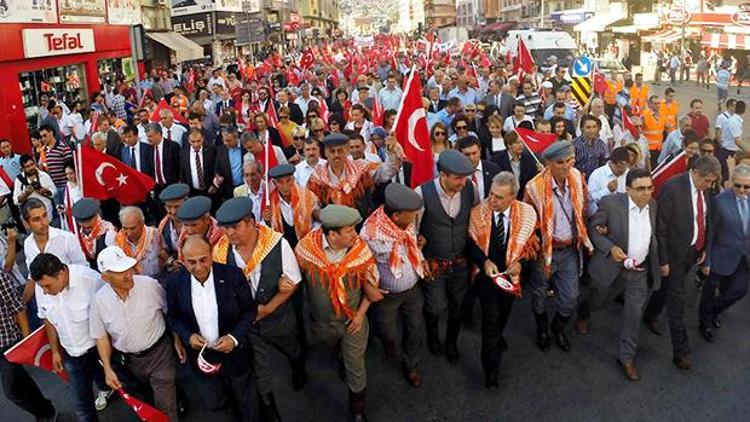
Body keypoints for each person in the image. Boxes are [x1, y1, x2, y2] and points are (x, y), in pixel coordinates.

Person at [213, 197, 306, 419]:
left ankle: (298, 366)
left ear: (251, 222)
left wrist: (269, 309)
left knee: (290, 346)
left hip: (277, 317)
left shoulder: (277, 244)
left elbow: (293, 282)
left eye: (235, 227)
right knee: (259, 366)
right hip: (247, 323)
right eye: (226, 228)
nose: (230, 233)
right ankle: (271, 410)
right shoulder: (221, 252)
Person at [295, 205, 383, 421]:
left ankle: (358, 409)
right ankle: (338, 355)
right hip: (322, 323)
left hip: (353, 321)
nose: (355, 234)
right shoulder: (306, 249)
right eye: (349, 230)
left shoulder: (361, 251)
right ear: (332, 235)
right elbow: (295, 279)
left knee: (356, 365)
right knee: (332, 347)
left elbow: (372, 288)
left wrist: (361, 314)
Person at [165, 235, 259, 421]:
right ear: (182, 260)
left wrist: (233, 338)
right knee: (215, 402)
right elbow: (172, 316)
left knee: (246, 400)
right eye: (191, 262)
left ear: (211, 255)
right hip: (202, 357)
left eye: (203, 260)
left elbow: (250, 311)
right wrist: (188, 336)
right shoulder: (175, 283)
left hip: (235, 353)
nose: (198, 267)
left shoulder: (232, 275)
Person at [642, 155, 721, 370]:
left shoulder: (707, 189)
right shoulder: (672, 188)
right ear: (695, 172)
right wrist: (663, 260)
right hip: (674, 255)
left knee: (667, 288)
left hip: (693, 253)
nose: (710, 185)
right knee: (677, 301)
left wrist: (704, 249)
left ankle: (649, 314)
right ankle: (681, 352)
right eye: (707, 180)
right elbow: (662, 227)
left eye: (713, 181)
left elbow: (707, 221)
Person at [583, 169, 660, 381]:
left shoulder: (653, 205)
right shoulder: (611, 203)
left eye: (650, 188)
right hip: (612, 268)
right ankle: (584, 313)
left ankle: (626, 358)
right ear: (628, 190)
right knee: (598, 300)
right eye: (641, 189)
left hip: (639, 272)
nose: (646, 193)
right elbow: (594, 229)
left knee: (634, 316)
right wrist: (609, 248)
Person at [466, 171, 538, 388]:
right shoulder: (477, 213)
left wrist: (520, 265)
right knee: (490, 321)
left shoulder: (527, 213)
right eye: (491, 194)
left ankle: (498, 336)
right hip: (486, 279)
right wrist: (484, 261)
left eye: (499, 197)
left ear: (512, 197)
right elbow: (469, 244)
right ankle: (491, 370)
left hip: (512, 278)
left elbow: (533, 245)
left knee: (503, 314)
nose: (492, 200)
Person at [91, 246, 178, 421]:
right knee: (144, 405)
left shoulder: (149, 285)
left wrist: (177, 340)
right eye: (119, 272)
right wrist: (107, 369)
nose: (127, 274)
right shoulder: (99, 301)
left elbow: (170, 312)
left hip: (160, 355)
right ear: (105, 278)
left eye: (127, 268)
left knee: (165, 405)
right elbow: (101, 337)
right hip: (128, 364)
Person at [524, 141, 595, 352]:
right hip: (545, 252)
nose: (567, 166)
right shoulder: (533, 187)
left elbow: (588, 204)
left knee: (570, 299)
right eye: (561, 162)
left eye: (570, 160)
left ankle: (558, 326)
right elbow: (526, 221)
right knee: (539, 294)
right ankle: (542, 328)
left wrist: (599, 223)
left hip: (570, 250)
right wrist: (533, 247)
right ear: (548, 163)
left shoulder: (577, 178)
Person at [360, 184, 426, 388]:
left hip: (412, 290)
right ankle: (386, 340)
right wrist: (369, 286)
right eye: (412, 213)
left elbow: (410, 244)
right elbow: (361, 264)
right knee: (387, 330)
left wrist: (419, 251)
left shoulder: (406, 224)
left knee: (414, 329)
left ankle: (411, 365)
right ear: (396, 216)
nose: (415, 216)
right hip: (387, 295)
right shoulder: (370, 234)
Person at [415, 150, 477, 363]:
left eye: (465, 177)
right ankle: (433, 337)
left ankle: (451, 342)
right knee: (435, 307)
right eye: (458, 178)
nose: (463, 182)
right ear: (443, 174)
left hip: (460, 263)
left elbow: (476, 219)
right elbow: (412, 230)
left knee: (457, 307)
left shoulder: (470, 189)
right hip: (434, 264)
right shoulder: (422, 193)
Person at [30, 253, 106, 422]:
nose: (44, 291)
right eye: (42, 287)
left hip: (101, 350)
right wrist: (55, 351)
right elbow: (47, 319)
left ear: (62, 273)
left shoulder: (90, 280)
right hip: (72, 354)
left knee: (130, 391)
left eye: (48, 286)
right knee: (83, 408)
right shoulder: (41, 286)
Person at [0, 260, 57, 421]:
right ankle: (45, 411)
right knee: (20, 381)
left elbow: (18, 308)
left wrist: (27, 341)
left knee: (11, 390)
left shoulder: (0, 278)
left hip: (7, 342)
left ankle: (45, 411)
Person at [698, 164, 750, 343]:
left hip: (742, 256)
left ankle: (713, 311)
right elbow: (711, 232)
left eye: (746, 186)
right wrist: (707, 261)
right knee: (710, 291)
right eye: (738, 185)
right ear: (731, 183)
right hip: (719, 255)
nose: (742, 190)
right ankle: (704, 322)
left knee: (738, 290)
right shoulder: (719, 202)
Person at [307, 133, 402, 217]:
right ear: (325, 153)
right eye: (332, 151)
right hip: (332, 232)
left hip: (360, 226)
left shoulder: (361, 168)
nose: (336, 155)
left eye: (340, 151)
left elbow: (386, 173)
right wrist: (325, 217)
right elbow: (312, 206)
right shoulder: (317, 177)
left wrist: (391, 151)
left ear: (346, 151)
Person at [115, 206, 162, 278]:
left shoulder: (155, 235)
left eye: (133, 228)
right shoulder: (117, 242)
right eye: (125, 228)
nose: (129, 233)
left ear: (142, 223)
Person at [490, 131, 539, 199]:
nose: (521, 145)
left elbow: (532, 180)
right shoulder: (497, 160)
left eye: (522, 142)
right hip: (504, 197)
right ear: (509, 145)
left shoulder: (529, 159)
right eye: (517, 143)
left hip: (524, 198)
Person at [72, 198, 116, 269]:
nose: (86, 229)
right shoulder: (77, 234)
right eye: (83, 226)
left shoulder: (109, 233)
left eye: (89, 227)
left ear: (96, 216)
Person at [157, 183, 189, 274]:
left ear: (186, 202)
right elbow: (164, 251)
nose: (173, 212)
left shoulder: (194, 224)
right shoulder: (164, 225)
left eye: (176, 207)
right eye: (169, 207)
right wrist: (171, 261)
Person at [14, 154, 56, 219]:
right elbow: (16, 201)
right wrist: (26, 194)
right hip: (31, 217)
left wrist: (45, 191)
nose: (31, 168)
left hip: (47, 213)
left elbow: (54, 191)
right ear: (23, 169)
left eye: (32, 164)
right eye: (27, 166)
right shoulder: (19, 180)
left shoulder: (44, 175)